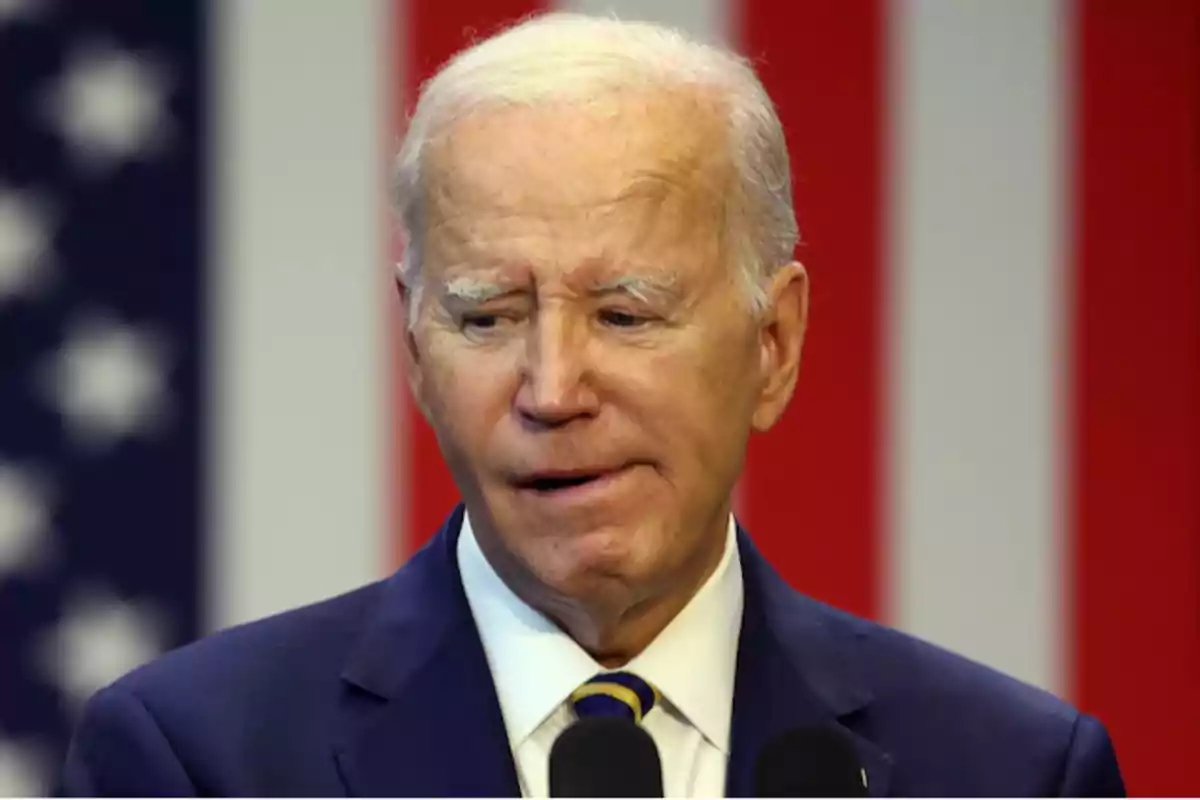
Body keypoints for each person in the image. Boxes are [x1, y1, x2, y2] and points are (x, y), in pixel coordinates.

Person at [58, 12, 1124, 798]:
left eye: (626, 313)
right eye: (486, 316)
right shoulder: (194, 760)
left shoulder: (1012, 772)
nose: (554, 389)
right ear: (415, 348)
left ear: (774, 342)